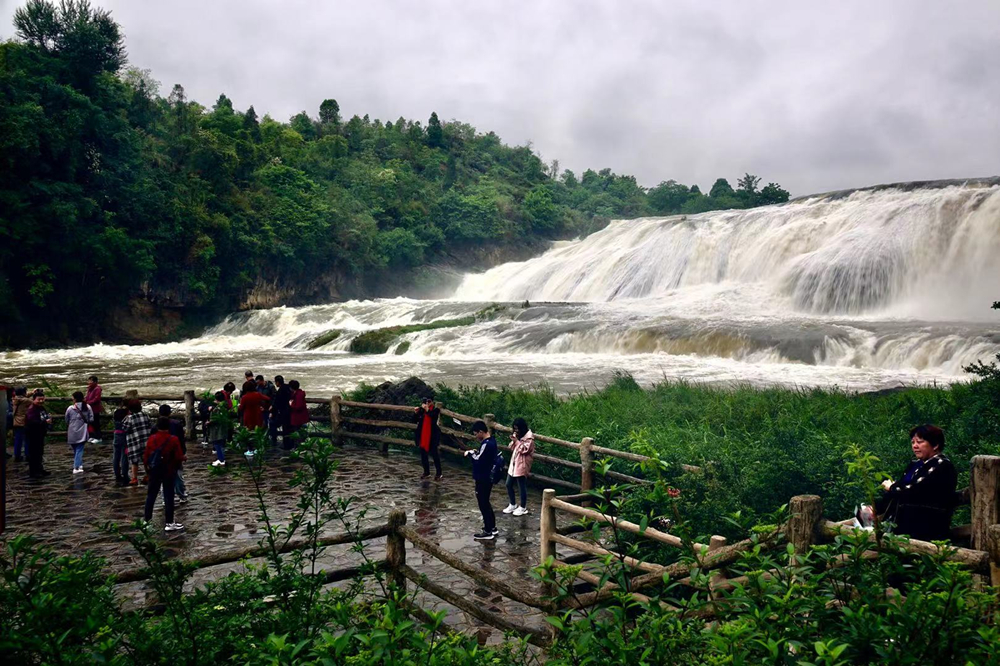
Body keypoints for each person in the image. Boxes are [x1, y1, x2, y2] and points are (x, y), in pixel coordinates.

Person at [870, 424, 958, 542]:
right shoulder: (916, 465)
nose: (915, 446)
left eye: (920, 442)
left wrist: (892, 487)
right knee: (865, 513)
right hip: (907, 524)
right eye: (913, 443)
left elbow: (914, 491)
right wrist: (877, 505)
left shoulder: (942, 465)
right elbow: (902, 487)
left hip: (927, 526)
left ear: (935, 445)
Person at [143, 417, 185, 532]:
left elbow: (146, 455)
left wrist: (147, 470)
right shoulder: (173, 439)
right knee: (168, 496)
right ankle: (169, 522)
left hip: (154, 469)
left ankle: (147, 521)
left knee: (151, 495)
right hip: (168, 469)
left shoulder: (152, 439)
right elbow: (178, 456)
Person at [465, 420, 498, 541]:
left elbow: (478, 459)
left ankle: (488, 530)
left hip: (483, 477)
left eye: (475, 434)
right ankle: (492, 527)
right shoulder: (492, 441)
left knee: (483, 503)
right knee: (486, 502)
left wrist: (470, 453)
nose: (475, 436)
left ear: (480, 432)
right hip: (487, 476)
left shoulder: (487, 444)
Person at [503, 418, 535, 516]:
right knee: (508, 484)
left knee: (521, 486)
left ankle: (523, 507)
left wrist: (516, 441)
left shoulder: (529, 438)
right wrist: (513, 441)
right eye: (514, 428)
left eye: (517, 428)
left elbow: (524, 450)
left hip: (522, 464)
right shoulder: (518, 436)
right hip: (514, 463)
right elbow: (511, 447)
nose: (516, 430)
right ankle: (512, 503)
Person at [157, 405, 188, 502]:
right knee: (178, 476)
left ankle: (165, 498)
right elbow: (181, 440)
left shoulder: (155, 426)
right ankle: (181, 495)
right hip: (175, 454)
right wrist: (183, 452)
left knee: (163, 477)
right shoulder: (177, 424)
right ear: (170, 413)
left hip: (162, 456)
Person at [123, 401, 153, 486]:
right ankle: (148, 475)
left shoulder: (130, 418)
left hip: (134, 442)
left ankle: (134, 478)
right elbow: (150, 425)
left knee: (134, 461)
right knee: (146, 460)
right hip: (146, 440)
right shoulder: (146, 415)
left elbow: (125, 428)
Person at [413, 397, 442, 480]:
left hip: (432, 436)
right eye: (426, 402)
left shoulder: (435, 410)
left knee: (434, 454)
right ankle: (426, 472)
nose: (427, 403)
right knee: (423, 455)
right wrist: (416, 413)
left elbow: (432, 416)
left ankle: (439, 473)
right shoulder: (422, 411)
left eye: (429, 401)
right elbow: (414, 420)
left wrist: (427, 410)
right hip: (423, 436)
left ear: (432, 402)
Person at [25, 392, 52, 478]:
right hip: (33, 434)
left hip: (40, 434)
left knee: (39, 453)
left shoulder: (41, 408)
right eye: (39, 399)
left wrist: (48, 419)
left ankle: (40, 469)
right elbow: (32, 422)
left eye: (42, 399)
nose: (41, 401)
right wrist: (45, 422)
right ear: (34, 400)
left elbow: (43, 417)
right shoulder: (32, 409)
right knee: (34, 453)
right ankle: (33, 472)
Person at [65, 391, 93, 474]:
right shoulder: (87, 407)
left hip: (71, 431)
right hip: (83, 430)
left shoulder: (70, 408)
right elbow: (91, 419)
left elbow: (66, 419)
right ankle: (77, 466)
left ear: (74, 399)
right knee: (79, 449)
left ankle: (78, 466)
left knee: (76, 449)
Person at [208, 391, 230, 467]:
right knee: (222, 444)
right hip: (224, 428)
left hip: (217, 429)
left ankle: (221, 459)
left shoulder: (218, 408)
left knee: (217, 444)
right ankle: (221, 458)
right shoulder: (225, 406)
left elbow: (215, 419)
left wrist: (209, 422)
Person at [286, 380, 309, 449]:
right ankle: (299, 446)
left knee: (297, 433)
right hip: (300, 417)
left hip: (298, 417)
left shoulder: (298, 395)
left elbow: (298, 406)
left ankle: (298, 447)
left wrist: (291, 404)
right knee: (299, 432)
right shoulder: (298, 393)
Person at [269, 375, 291, 447]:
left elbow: (277, 404)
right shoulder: (288, 388)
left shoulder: (280, 391)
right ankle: (289, 444)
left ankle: (276, 441)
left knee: (275, 424)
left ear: (277, 382)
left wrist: (272, 411)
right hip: (289, 411)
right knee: (288, 429)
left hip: (282, 412)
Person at [12, 387, 30, 462]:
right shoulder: (26, 401)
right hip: (24, 422)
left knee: (18, 440)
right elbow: (35, 401)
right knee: (27, 439)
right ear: (23, 393)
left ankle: (17, 456)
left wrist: (32, 393)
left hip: (16, 422)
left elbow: (23, 397)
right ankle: (27, 455)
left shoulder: (15, 399)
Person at [111, 407, 129, 485]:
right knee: (124, 457)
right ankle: (125, 474)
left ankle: (117, 474)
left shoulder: (116, 422)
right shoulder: (125, 421)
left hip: (116, 435)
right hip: (123, 436)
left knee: (116, 457)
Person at [84, 375, 103, 443]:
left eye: (90, 381)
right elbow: (87, 396)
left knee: (96, 423)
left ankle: (99, 437)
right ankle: (92, 436)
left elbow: (96, 399)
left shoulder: (97, 389)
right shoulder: (89, 388)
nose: (89, 382)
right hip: (89, 409)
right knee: (90, 423)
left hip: (95, 409)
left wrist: (88, 402)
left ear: (95, 382)